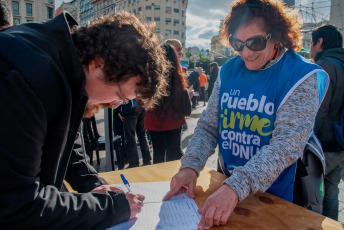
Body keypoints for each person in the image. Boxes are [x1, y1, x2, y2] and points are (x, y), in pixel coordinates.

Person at [163, 0, 328, 229]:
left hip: (277, 196)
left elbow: (286, 145)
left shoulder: (301, 75)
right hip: (228, 185)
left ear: (277, 35)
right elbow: (209, 126)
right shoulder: (229, 70)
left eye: (255, 42)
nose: (246, 52)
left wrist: (234, 188)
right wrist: (190, 167)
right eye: (237, 43)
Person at [0, 12, 169, 229]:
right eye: (120, 95)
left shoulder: (70, 73)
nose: (116, 105)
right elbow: (19, 205)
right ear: (99, 64)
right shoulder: (25, 80)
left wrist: (95, 187)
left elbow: (70, 153)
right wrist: (111, 208)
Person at [311, 24, 344, 221]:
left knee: (313, 195)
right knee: (332, 193)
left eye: (312, 43)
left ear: (320, 42)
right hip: (341, 143)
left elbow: (318, 110)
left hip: (323, 145)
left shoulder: (324, 67)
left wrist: (308, 143)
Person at [144, 44, 189, 164]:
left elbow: (142, 99)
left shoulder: (151, 75)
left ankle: (158, 181)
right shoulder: (178, 76)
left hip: (154, 119)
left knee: (158, 154)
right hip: (174, 117)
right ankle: (174, 180)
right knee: (174, 152)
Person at [118, 99, 152, 168]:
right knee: (142, 135)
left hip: (129, 109)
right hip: (141, 106)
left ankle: (134, 163)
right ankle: (147, 160)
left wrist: (118, 111)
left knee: (130, 137)